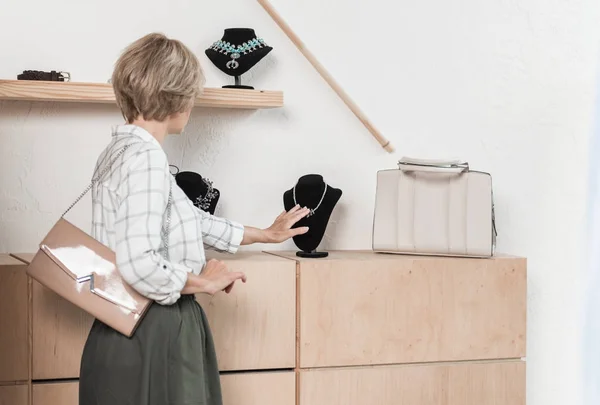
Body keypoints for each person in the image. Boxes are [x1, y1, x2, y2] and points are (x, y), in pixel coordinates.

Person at [79, 32, 310, 405]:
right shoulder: (148, 160)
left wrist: (264, 234)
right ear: (176, 98)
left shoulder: (118, 151)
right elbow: (137, 262)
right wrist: (202, 283)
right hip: (157, 329)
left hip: (115, 324)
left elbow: (188, 219)